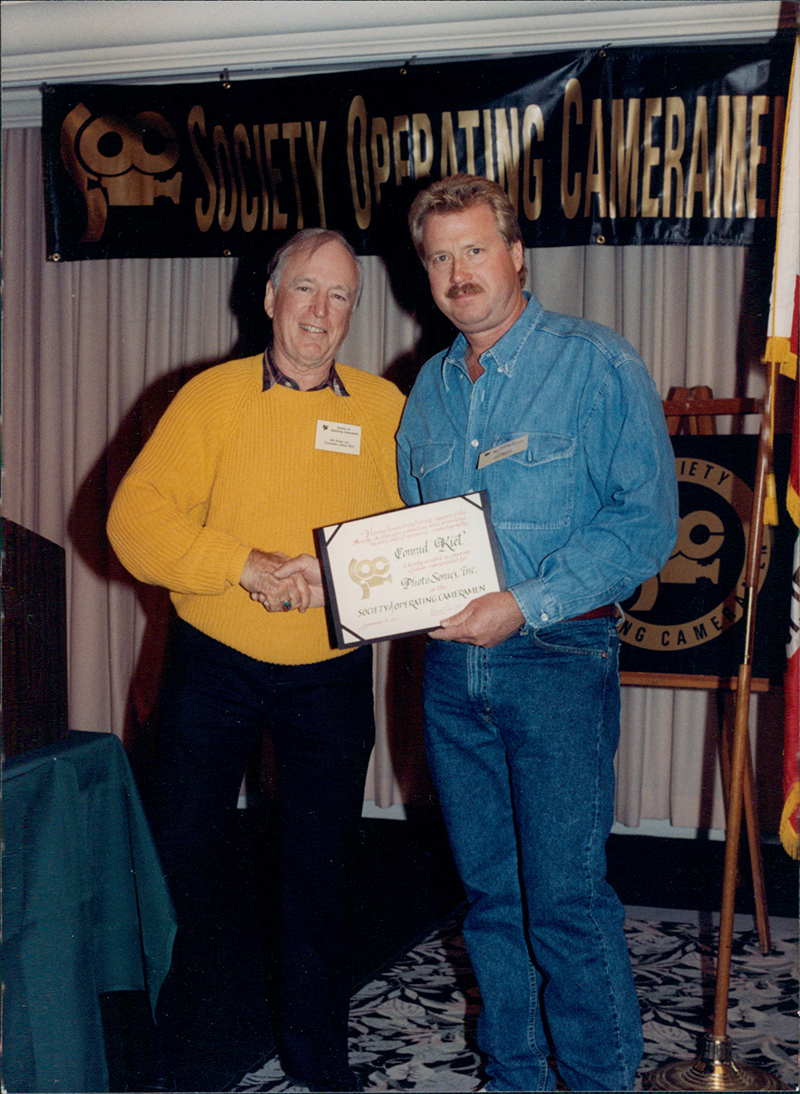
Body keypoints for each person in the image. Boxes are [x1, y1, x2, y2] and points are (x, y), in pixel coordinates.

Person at [395, 175, 678, 1092]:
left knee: (564, 900)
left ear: (517, 256)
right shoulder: (427, 391)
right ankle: (515, 1076)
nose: (458, 273)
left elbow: (645, 524)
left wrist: (523, 603)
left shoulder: (596, 364)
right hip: (452, 671)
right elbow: (411, 531)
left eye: (475, 249)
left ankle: (598, 1081)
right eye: (440, 257)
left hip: (557, 657)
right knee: (490, 896)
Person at [107, 227, 405, 1093]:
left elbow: (417, 534)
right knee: (181, 860)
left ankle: (319, 1059)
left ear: (353, 311)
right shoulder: (211, 397)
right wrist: (244, 565)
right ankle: (166, 1057)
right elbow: (134, 521)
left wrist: (336, 577)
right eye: (305, 288)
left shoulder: (385, 408)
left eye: (340, 295)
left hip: (331, 673)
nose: (320, 311)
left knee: (321, 871)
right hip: (215, 665)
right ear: (270, 298)